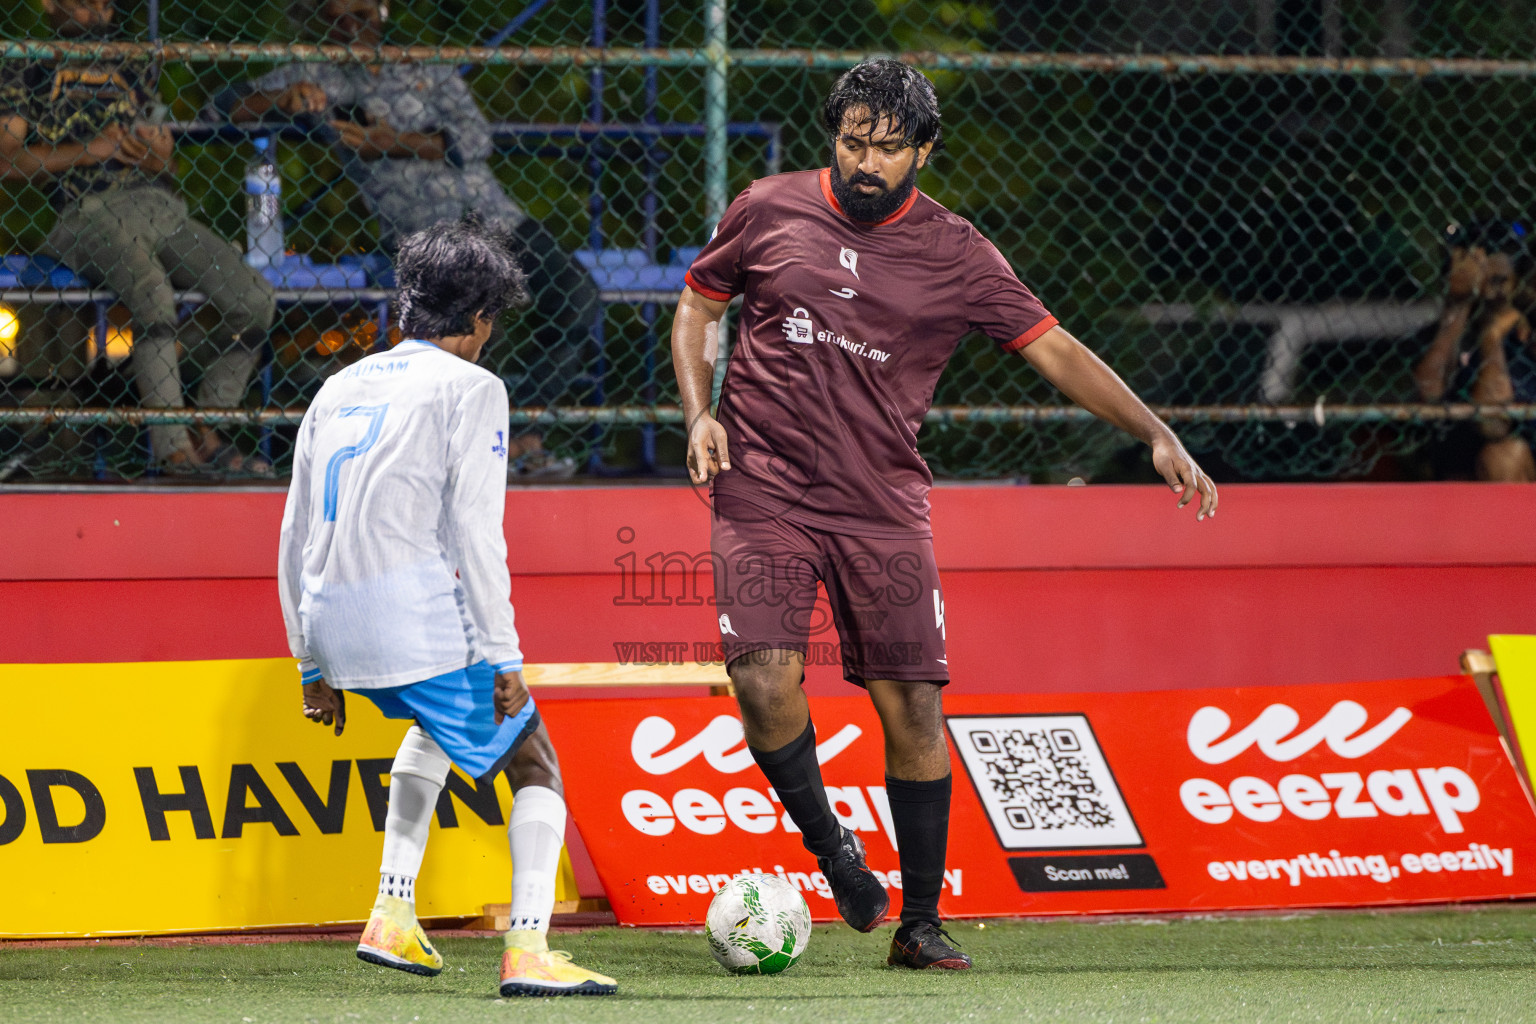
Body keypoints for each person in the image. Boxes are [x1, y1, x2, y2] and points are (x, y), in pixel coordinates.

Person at [671, 60, 1218, 971]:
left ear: (924, 150)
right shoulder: (766, 206)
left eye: (888, 149)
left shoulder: (959, 252)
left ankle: (919, 922)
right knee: (763, 681)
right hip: (761, 484)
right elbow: (698, 305)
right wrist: (698, 413)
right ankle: (831, 849)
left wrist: (1153, 430)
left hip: (881, 502)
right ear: (833, 137)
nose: (866, 164)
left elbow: (1056, 349)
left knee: (913, 706)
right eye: (853, 142)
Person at [278, 218, 616, 997]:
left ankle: (391, 915)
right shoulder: (474, 388)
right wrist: (505, 657)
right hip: (410, 619)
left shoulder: (339, 386)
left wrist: (309, 661)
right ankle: (530, 951)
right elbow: (476, 533)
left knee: (436, 722)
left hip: (330, 624)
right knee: (535, 758)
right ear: (481, 319)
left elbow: (294, 529)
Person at [213, 0, 595, 478]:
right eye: (337, 18)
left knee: (578, 300)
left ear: (382, 13)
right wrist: (284, 98)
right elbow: (224, 104)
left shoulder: (422, 66)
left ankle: (520, 432)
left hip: (497, 219)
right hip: (426, 234)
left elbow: (477, 140)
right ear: (318, 20)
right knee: (465, 325)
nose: (351, 27)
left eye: (361, 14)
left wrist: (395, 143)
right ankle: (477, 450)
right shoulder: (314, 72)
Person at [0, 0, 275, 474]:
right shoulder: (24, 61)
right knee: (152, 292)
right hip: (86, 212)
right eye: (84, 3)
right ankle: (174, 453)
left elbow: (165, 163)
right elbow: (7, 162)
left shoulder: (131, 59)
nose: (99, 11)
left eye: (107, 3)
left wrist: (160, 159)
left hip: (159, 206)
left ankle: (206, 428)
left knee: (254, 299)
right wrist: (93, 149)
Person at [1413, 220, 1535, 481]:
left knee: (1503, 456)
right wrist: (1460, 304)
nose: (1489, 290)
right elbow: (1429, 391)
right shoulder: (1443, 332)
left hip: (1520, 464)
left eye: (1499, 279)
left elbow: (1493, 423)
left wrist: (1491, 335)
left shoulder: (1526, 330)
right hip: (1460, 462)